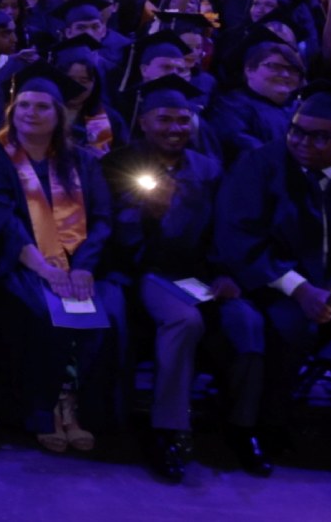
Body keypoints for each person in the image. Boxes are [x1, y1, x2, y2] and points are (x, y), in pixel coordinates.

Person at [212, 82, 331, 470]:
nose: (302, 143)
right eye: (296, 131)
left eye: (319, 137)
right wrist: (298, 289)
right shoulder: (260, 166)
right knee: (287, 328)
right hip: (279, 289)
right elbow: (239, 237)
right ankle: (267, 430)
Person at [103, 75, 269, 482]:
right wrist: (146, 216)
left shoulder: (210, 169)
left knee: (248, 323)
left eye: (183, 120)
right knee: (185, 321)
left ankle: (242, 427)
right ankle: (169, 430)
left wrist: (229, 274)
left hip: (203, 274)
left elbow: (228, 228)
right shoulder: (116, 164)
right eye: (164, 119)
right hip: (146, 272)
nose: (175, 129)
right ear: (143, 121)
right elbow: (107, 235)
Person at [0, 63, 122, 453]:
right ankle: (46, 409)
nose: (30, 114)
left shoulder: (83, 161)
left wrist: (84, 267)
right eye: (23, 106)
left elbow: (103, 219)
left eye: (41, 107)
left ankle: (77, 407)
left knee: (108, 315)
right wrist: (43, 268)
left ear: (59, 114)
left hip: (79, 266)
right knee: (41, 312)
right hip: (16, 263)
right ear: (11, 111)